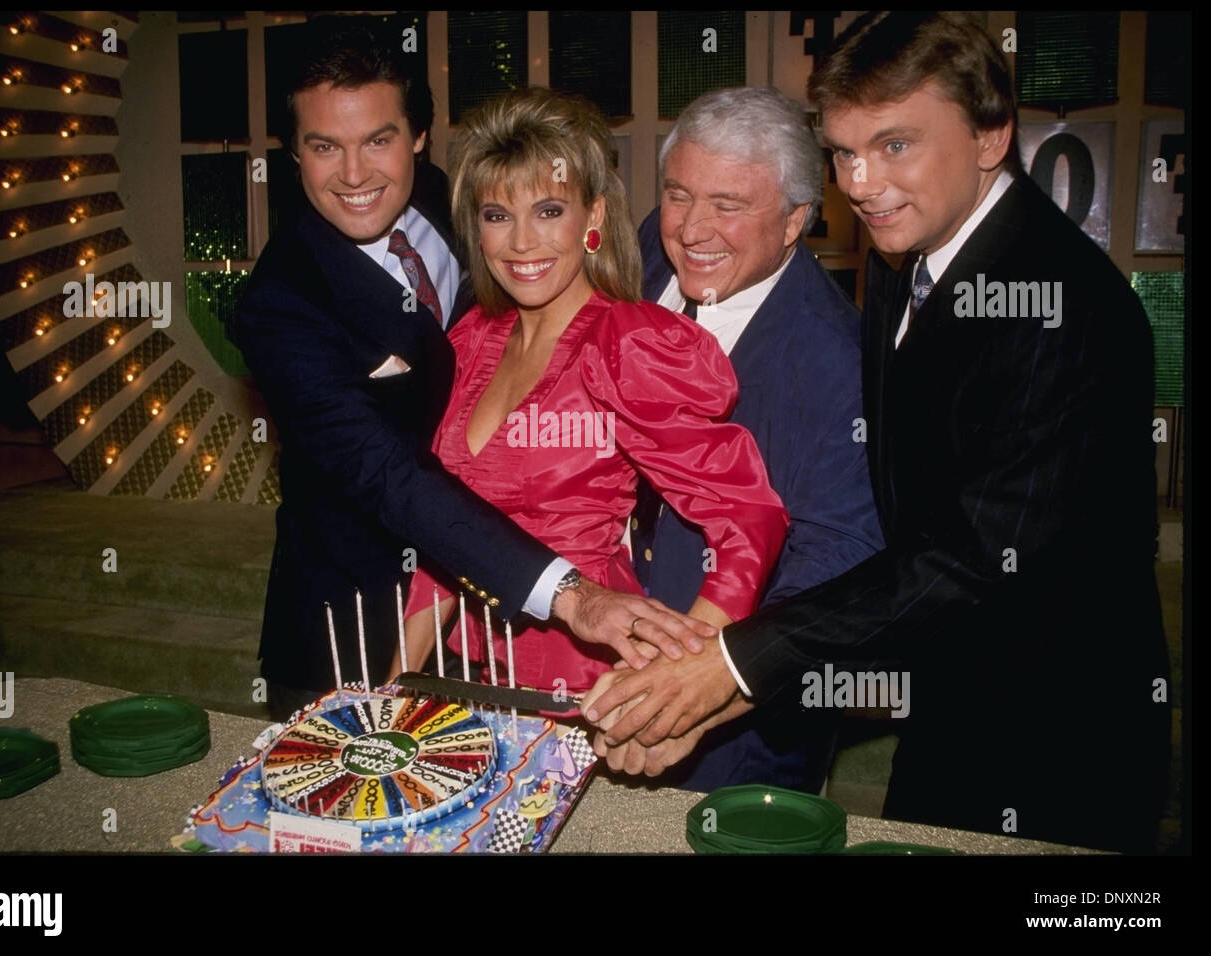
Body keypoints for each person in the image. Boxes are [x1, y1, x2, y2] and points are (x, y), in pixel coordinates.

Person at [585, 11, 1169, 853]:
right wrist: (725, 688)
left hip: (1057, 729)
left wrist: (734, 669)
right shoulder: (915, 255)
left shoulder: (1061, 306)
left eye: (896, 145)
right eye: (845, 152)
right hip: (947, 694)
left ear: (992, 135)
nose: (860, 182)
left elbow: (967, 555)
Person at [228, 18, 715, 721]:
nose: (357, 174)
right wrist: (571, 593)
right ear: (293, 154)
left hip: (500, 639)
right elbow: (390, 475)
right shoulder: (280, 305)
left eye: (379, 140)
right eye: (324, 147)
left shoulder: (452, 202)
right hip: (360, 625)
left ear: (420, 137)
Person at [389, 87, 788, 697]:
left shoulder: (626, 345)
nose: (522, 242)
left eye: (549, 210)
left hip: (586, 684)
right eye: (498, 215)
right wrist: (389, 691)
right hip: (472, 678)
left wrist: (686, 676)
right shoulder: (472, 341)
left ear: (594, 218)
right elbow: (447, 529)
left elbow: (750, 519)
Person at [629, 86, 884, 793]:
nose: (693, 230)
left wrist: (713, 679)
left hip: (736, 734)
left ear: (796, 220)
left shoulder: (842, 364)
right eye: (680, 195)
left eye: (729, 206)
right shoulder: (654, 243)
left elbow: (839, 555)